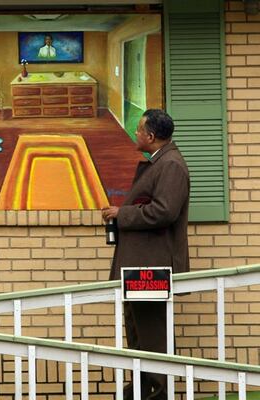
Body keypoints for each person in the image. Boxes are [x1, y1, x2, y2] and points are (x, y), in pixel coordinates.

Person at [101, 109, 190, 400]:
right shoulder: (161, 162)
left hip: (153, 266)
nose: (135, 134)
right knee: (139, 334)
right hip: (141, 268)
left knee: (154, 336)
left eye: (139, 130)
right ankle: (140, 391)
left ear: (151, 136)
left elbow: (165, 212)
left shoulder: (171, 165)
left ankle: (158, 394)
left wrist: (122, 213)